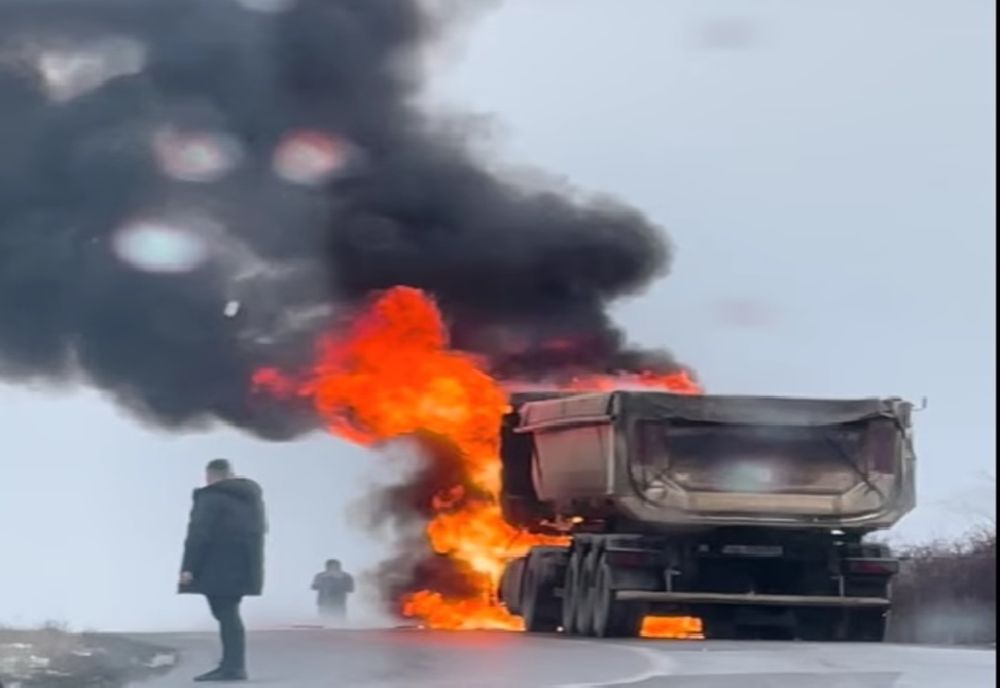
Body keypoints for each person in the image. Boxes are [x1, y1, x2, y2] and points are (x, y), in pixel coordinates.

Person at [179, 459, 266, 683]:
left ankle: (232, 667)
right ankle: (232, 664)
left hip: (216, 567)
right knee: (229, 614)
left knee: (226, 615)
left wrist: (189, 568)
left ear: (211, 475)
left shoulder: (211, 497)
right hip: (243, 566)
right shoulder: (250, 498)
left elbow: (199, 533)